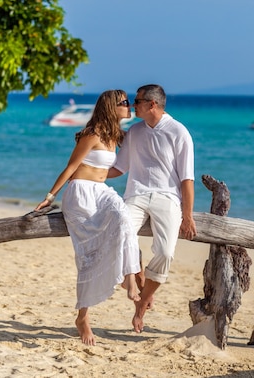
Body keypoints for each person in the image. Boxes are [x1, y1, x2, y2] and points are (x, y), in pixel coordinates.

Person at [34, 89, 141, 345]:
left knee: (123, 218)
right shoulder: (92, 134)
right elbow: (71, 167)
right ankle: (83, 317)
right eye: (125, 103)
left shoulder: (117, 135)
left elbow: (112, 166)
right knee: (89, 256)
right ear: (111, 107)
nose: (129, 106)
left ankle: (129, 277)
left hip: (102, 191)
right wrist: (50, 196)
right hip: (81, 193)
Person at [108, 84, 197, 333]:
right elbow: (119, 168)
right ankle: (140, 280)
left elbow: (186, 179)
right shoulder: (135, 131)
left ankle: (142, 303)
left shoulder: (179, 132)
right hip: (135, 195)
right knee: (121, 233)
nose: (132, 105)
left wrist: (187, 216)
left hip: (167, 198)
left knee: (166, 252)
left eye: (136, 101)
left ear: (152, 105)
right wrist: (88, 174)